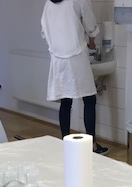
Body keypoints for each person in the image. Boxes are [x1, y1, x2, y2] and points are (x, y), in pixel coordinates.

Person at [41, 0, 109, 155]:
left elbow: (44, 32)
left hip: (57, 58)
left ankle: (65, 142)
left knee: (65, 101)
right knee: (89, 99)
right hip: (76, 55)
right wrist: (92, 41)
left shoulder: (49, 3)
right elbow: (90, 25)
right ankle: (92, 144)